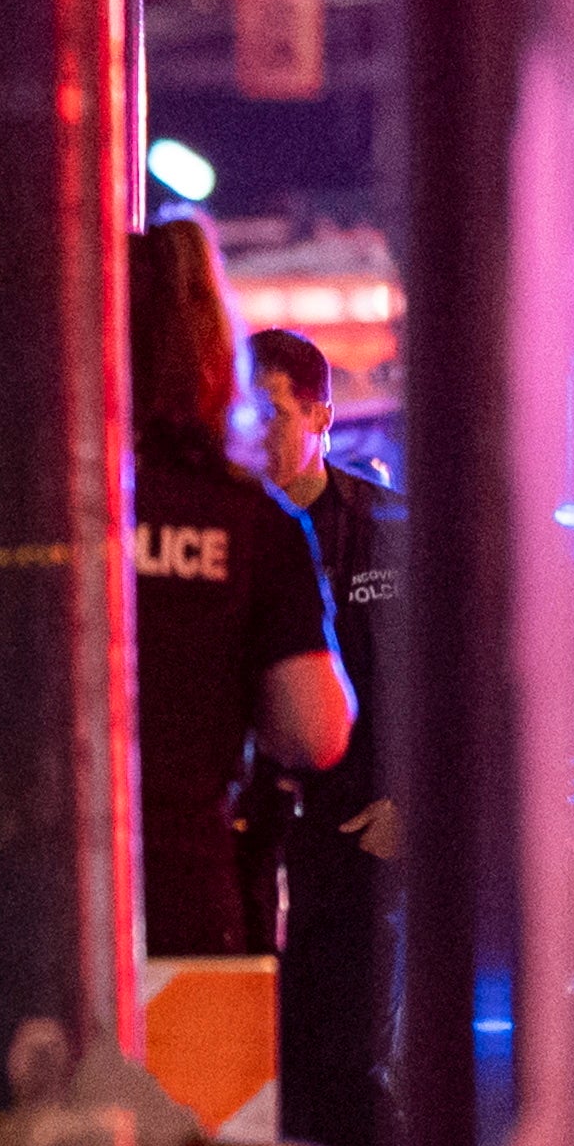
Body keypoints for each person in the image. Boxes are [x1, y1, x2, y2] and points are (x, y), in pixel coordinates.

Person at [122, 226, 352, 959]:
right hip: (183, 892)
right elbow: (315, 730)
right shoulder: (252, 520)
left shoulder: (21, 504)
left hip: (22, 900)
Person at [248, 324, 403, 1146]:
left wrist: (409, 807)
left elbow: (434, 677)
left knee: (346, 1068)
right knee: (268, 1070)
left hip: (355, 838)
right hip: (264, 845)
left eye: (271, 411)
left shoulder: (382, 528)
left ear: (321, 416)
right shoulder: (240, 531)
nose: (253, 431)